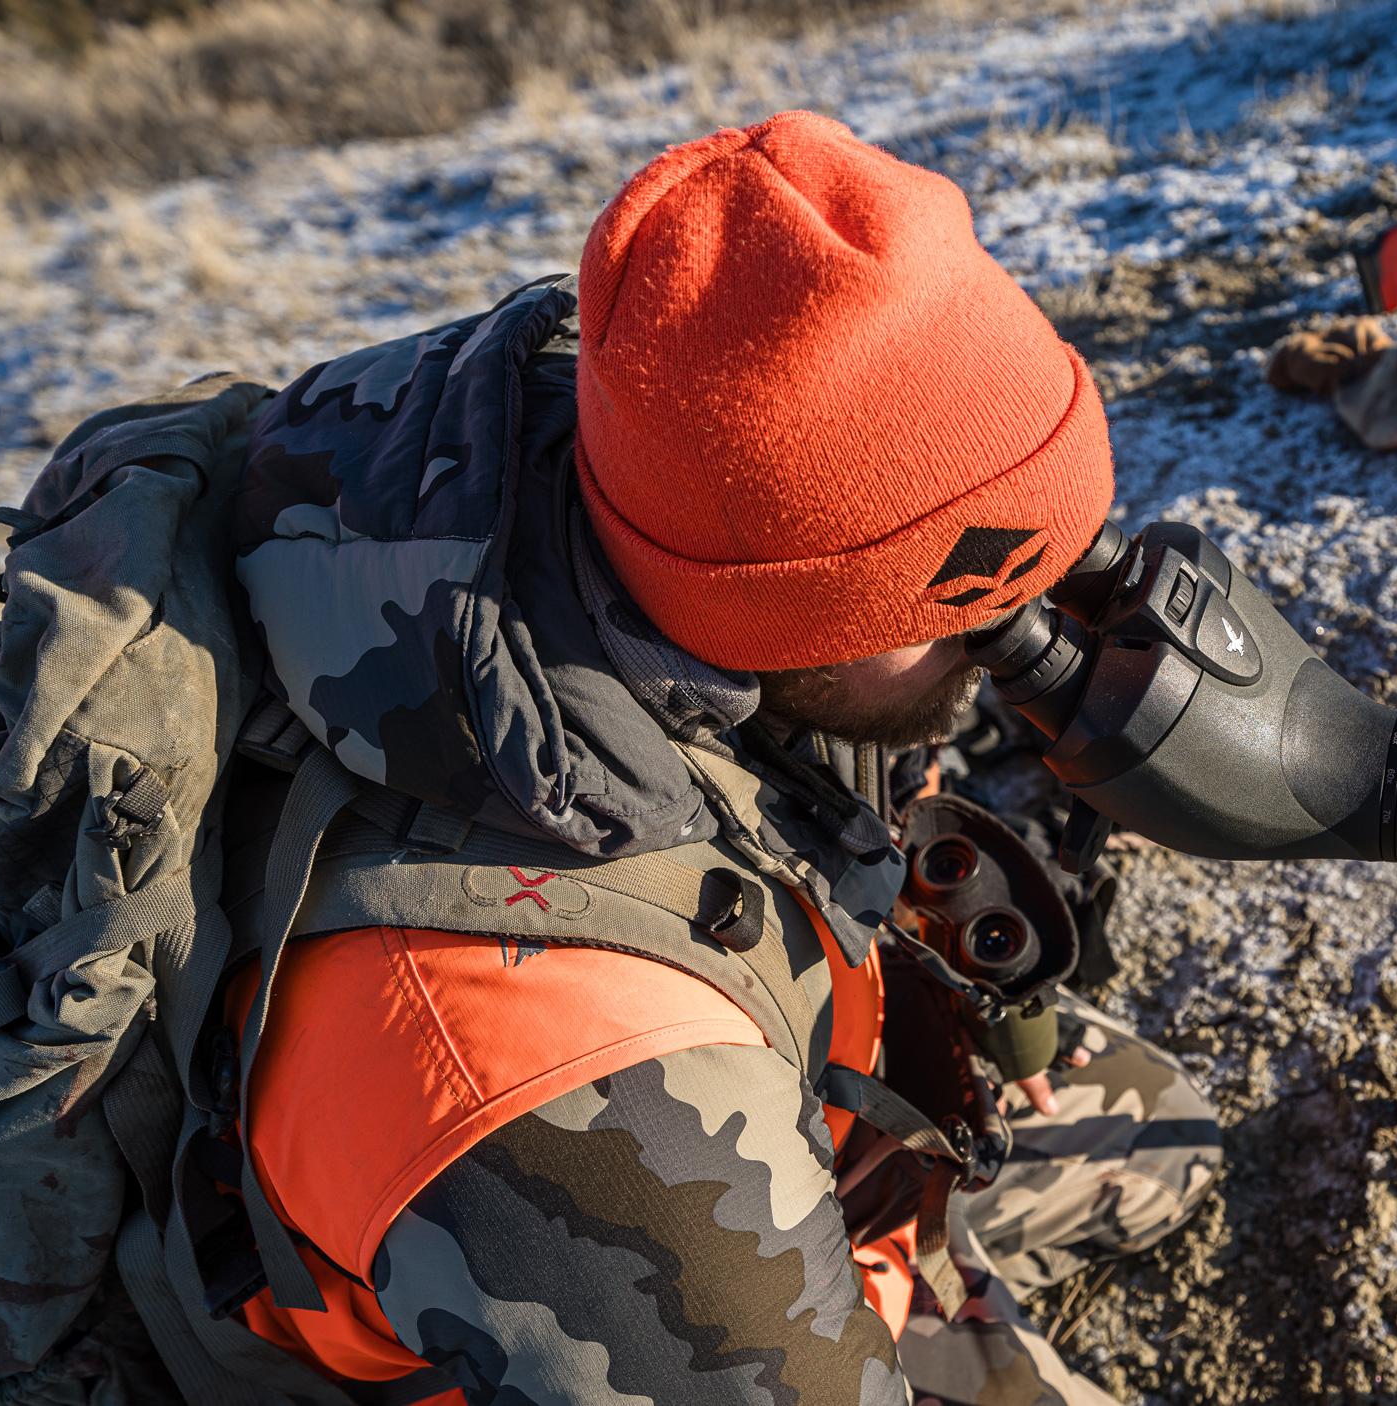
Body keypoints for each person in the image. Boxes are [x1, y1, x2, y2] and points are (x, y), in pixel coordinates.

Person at [211, 111, 1220, 1404]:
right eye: (965, 604)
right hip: (598, 1259)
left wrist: (934, 1010)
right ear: (780, 617)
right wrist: (890, 1275)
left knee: (1154, 1123)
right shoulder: (575, 1080)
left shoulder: (620, 496)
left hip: (743, 1094)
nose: (1008, 642)